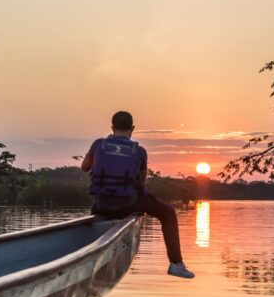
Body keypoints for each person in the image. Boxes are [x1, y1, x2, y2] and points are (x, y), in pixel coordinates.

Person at [81, 111, 195, 279]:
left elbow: (84, 167)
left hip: (102, 204)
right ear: (132, 128)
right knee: (168, 213)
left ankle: (87, 253)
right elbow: (141, 182)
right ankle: (176, 264)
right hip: (128, 203)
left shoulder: (98, 144)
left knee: (96, 209)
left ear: (112, 128)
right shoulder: (139, 151)